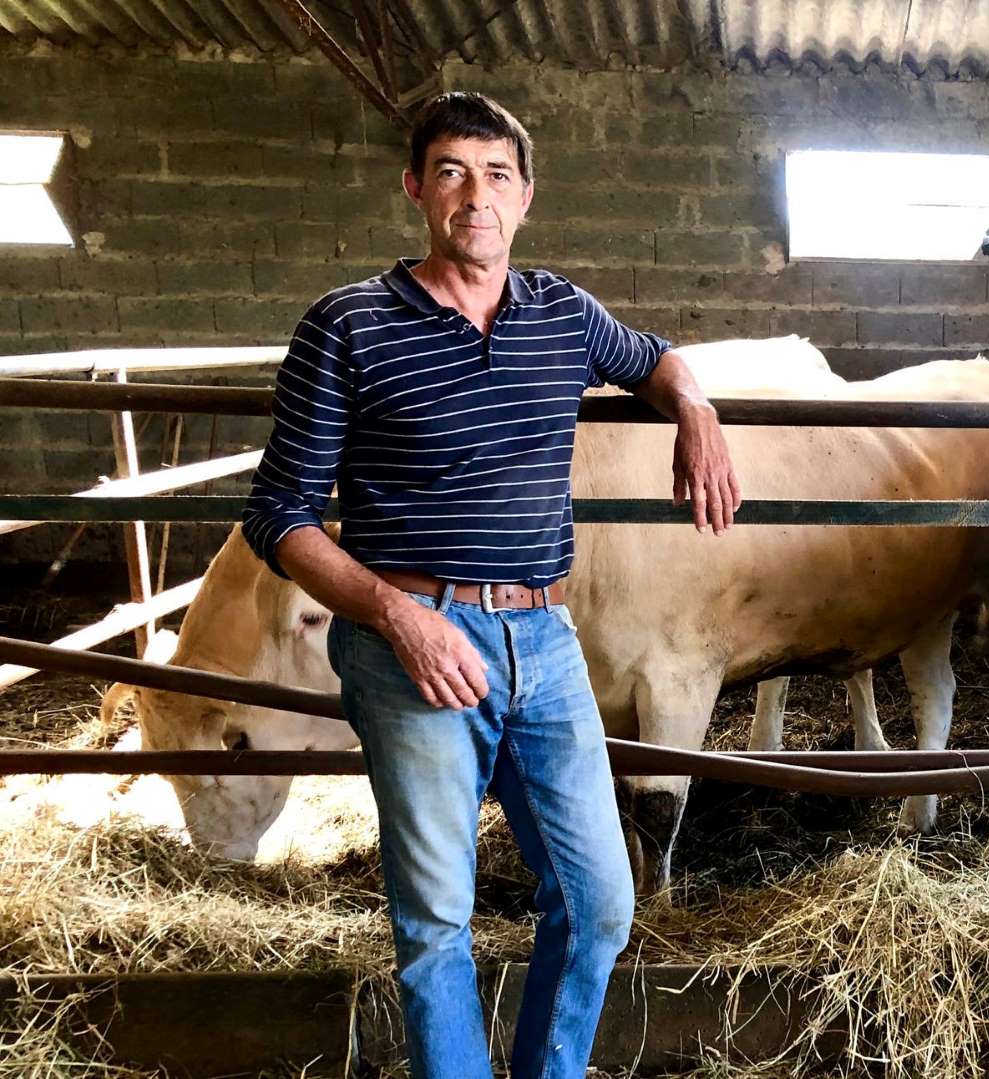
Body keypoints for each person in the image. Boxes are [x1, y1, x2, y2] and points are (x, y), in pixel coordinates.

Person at [240, 91, 741, 1079]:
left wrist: (696, 408)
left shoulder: (560, 311)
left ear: (525, 196)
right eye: (453, 171)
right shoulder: (347, 323)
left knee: (599, 899)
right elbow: (279, 511)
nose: (476, 194)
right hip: (407, 638)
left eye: (497, 173)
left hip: (545, 639)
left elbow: (653, 358)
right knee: (435, 919)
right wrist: (393, 612)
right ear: (417, 187)